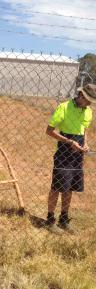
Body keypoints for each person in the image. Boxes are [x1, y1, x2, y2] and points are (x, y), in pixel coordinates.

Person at [46, 83, 96, 233]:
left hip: (77, 155)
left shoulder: (88, 111)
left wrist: (85, 144)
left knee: (70, 188)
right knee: (57, 187)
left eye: (91, 101)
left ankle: (64, 219)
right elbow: (49, 131)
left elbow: (85, 129)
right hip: (63, 152)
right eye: (87, 100)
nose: (88, 104)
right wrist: (69, 141)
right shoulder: (64, 107)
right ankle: (49, 220)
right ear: (80, 95)